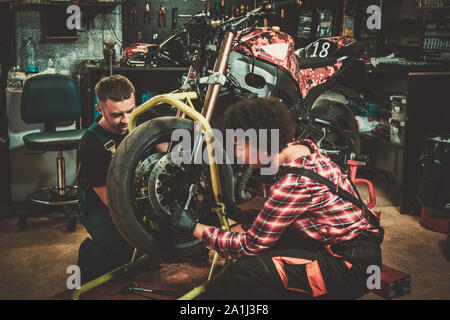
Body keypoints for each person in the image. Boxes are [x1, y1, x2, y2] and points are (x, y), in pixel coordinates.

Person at [167, 97, 384, 299]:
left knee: (244, 273)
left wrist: (194, 228)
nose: (238, 155)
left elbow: (249, 245)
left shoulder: (292, 184)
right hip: (350, 248)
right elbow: (280, 221)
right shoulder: (304, 149)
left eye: (239, 146)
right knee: (263, 253)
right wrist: (240, 214)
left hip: (352, 269)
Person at [76, 75, 137, 283]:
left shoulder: (140, 119)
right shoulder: (91, 144)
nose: (126, 120)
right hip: (100, 205)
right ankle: (89, 254)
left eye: (131, 110)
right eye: (117, 114)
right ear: (99, 109)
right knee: (123, 252)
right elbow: (110, 202)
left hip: (134, 195)